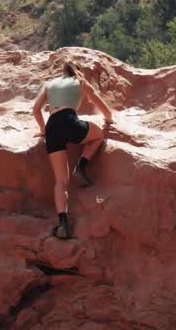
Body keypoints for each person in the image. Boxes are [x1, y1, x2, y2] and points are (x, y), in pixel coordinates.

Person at [33, 62, 115, 240]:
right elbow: (100, 104)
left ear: (62, 71)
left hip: (52, 126)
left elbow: (36, 109)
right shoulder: (80, 81)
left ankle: (62, 223)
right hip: (69, 121)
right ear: (78, 71)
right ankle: (81, 166)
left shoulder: (50, 84)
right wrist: (109, 118)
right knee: (98, 135)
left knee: (60, 181)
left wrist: (43, 130)